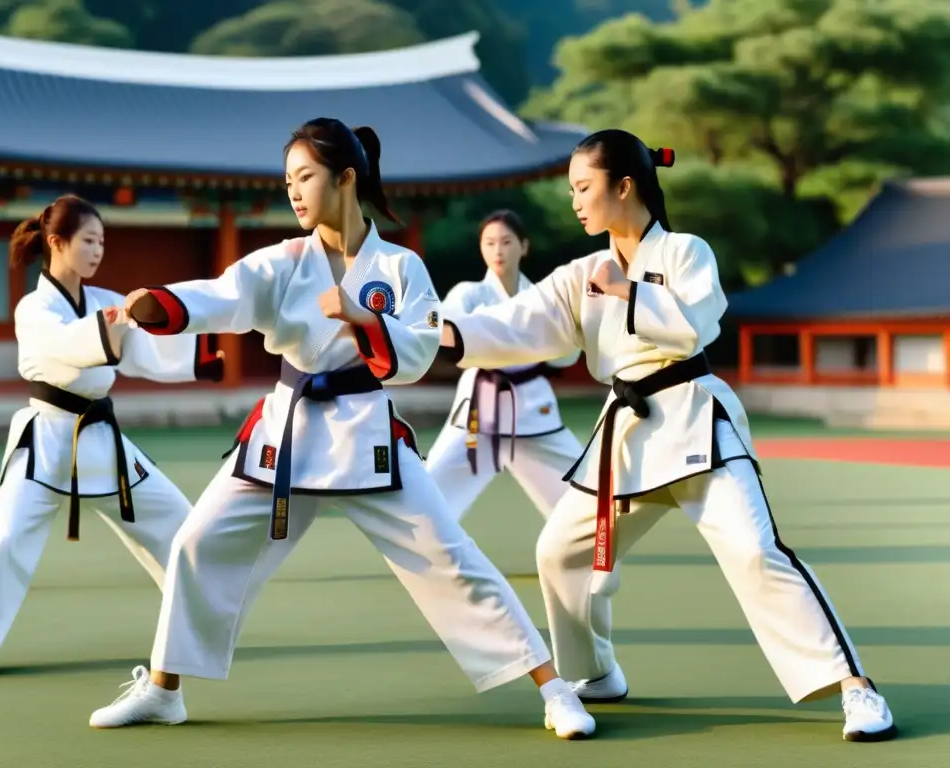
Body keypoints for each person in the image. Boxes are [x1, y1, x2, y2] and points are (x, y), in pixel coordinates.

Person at [87, 118, 596, 740]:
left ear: (346, 177)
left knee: (450, 557)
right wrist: (161, 305)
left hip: (368, 437)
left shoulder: (401, 266)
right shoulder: (284, 261)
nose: (293, 192)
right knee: (199, 542)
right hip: (286, 434)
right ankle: (164, 690)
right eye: (287, 181)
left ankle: (553, 687)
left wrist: (361, 320)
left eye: (305, 177)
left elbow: (412, 354)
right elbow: (225, 295)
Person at [437, 130, 897, 743]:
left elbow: (694, 324)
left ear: (623, 186)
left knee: (757, 552)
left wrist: (626, 290)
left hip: (695, 422)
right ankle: (595, 672)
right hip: (625, 437)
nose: (574, 201)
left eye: (583, 187)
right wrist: (419, 334)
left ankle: (857, 688)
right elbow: (513, 325)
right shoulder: (580, 274)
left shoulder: (685, 251)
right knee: (559, 553)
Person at [0, 195, 225, 685]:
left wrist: (201, 360)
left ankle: (196, 633)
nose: (97, 251)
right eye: (88, 240)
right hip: (45, 441)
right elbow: (68, 347)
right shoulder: (34, 307)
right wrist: (110, 327)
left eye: (102, 242)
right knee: (4, 544)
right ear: (56, 242)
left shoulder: (107, 301)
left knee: (180, 527)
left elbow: (142, 350)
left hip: (101, 441)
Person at [427, 210, 586, 524]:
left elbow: (566, 354)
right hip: (479, 406)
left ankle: (584, 545)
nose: (498, 250)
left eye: (506, 241)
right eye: (489, 243)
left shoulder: (542, 297)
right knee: (430, 490)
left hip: (531, 404)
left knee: (582, 491)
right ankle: (430, 549)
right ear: (481, 249)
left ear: (524, 247)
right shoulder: (467, 294)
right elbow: (444, 338)